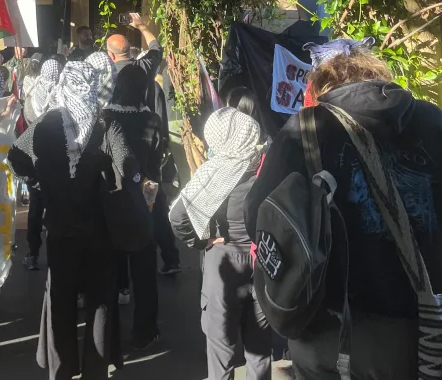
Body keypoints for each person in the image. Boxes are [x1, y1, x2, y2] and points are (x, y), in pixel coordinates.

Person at [245, 50, 442, 380]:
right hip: (430, 325)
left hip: (335, 329)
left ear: (323, 89)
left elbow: (258, 217)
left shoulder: (307, 129)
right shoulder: (433, 121)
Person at [9, 61, 123, 380]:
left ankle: (62, 369)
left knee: (61, 301)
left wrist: (40, 182)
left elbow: (16, 158)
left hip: (60, 227)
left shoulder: (47, 123)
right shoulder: (104, 123)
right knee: (99, 303)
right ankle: (96, 370)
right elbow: (127, 167)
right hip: (99, 231)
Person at [170, 106, 271, 380]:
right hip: (262, 261)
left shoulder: (212, 175)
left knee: (220, 349)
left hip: (223, 263)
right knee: (260, 349)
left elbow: (178, 216)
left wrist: (200, 242)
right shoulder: (268, 168)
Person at [106, 13, 181, 275]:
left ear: (111, 56)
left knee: (119, 212)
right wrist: (141, 26)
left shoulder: (106, 79)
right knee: (155, 206)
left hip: (119, 168)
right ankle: (169, 258)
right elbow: (156, 49)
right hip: (148, 162)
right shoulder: (144, 70)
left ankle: (122, 277)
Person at [104, 65, 164, 350]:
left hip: (110, 198)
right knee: (144, 268)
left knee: (109, 268)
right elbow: (158, 160)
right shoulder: (151, 119)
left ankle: (107, 332)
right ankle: (144, 329)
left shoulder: (105, 118)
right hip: (144, 196)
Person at [21, 58, 62, 270]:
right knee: (58, 208)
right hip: (59, 160)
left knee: (36, 208)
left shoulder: (30, 96)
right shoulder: (63, 95)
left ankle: (32, 253)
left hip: (35, 157)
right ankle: (58, 255)